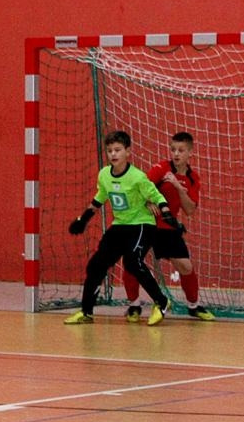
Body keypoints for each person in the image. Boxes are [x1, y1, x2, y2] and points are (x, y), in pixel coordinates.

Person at [64, 130, 181, 326]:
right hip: (120, 225)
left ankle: (161, 302)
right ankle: (86, 311)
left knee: (132, 262)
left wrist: (167, 215)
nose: (113, 154)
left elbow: (157, 196)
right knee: (95, 265)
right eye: (110, 150)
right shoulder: (104, 174)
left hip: (142, 225)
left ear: (128, 151)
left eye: (117, 150)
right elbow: (99, 198)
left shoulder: (137, 177)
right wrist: (83, 219)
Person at [121, 131, 214, 321]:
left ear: (190, 152)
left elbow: (189, 209)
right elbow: (140, 187)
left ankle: (193, 306)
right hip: (145, 223)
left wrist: (178, 187)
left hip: (167, 226)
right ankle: (134, 306)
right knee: (131, 262)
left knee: (185, 266)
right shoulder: (161, 168)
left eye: (181, 150)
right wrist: (148, 201)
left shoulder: (193, 178)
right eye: (173, 150)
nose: (176, 154)